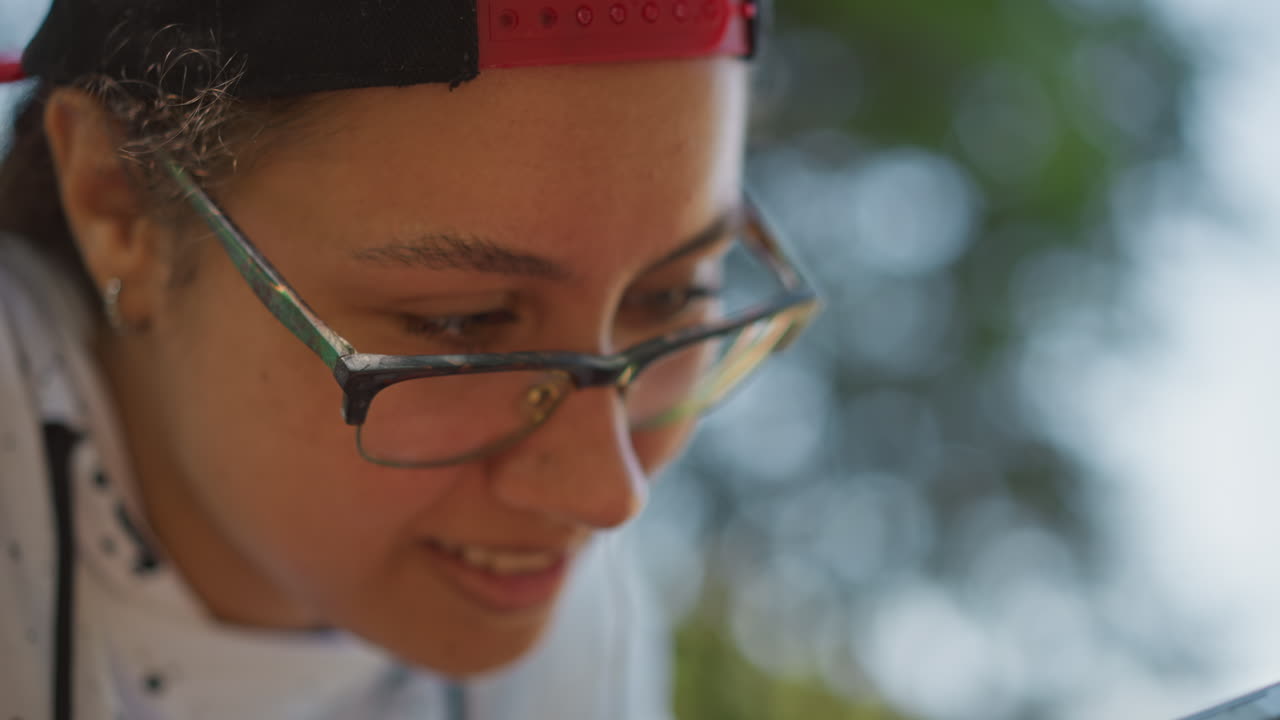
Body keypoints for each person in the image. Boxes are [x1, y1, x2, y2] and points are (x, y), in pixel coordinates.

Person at [0, 1, 818, 718]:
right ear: (118, 203)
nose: (608, 498)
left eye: (670, 299)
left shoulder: (579, 624)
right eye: (463, 323)